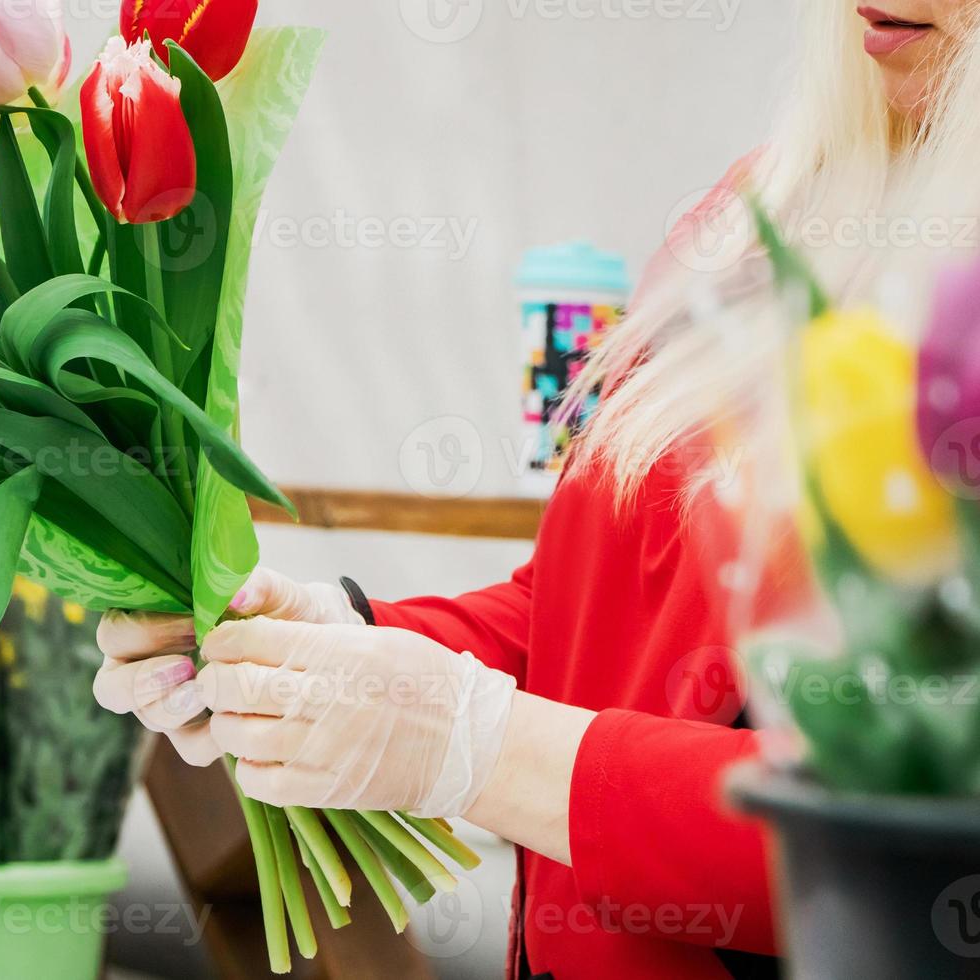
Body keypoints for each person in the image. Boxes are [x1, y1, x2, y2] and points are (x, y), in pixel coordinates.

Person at [91, 2, 979, 976]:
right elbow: (597, 613)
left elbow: (916, 839)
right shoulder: (759, 217)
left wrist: (483, 748)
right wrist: (334, 644)